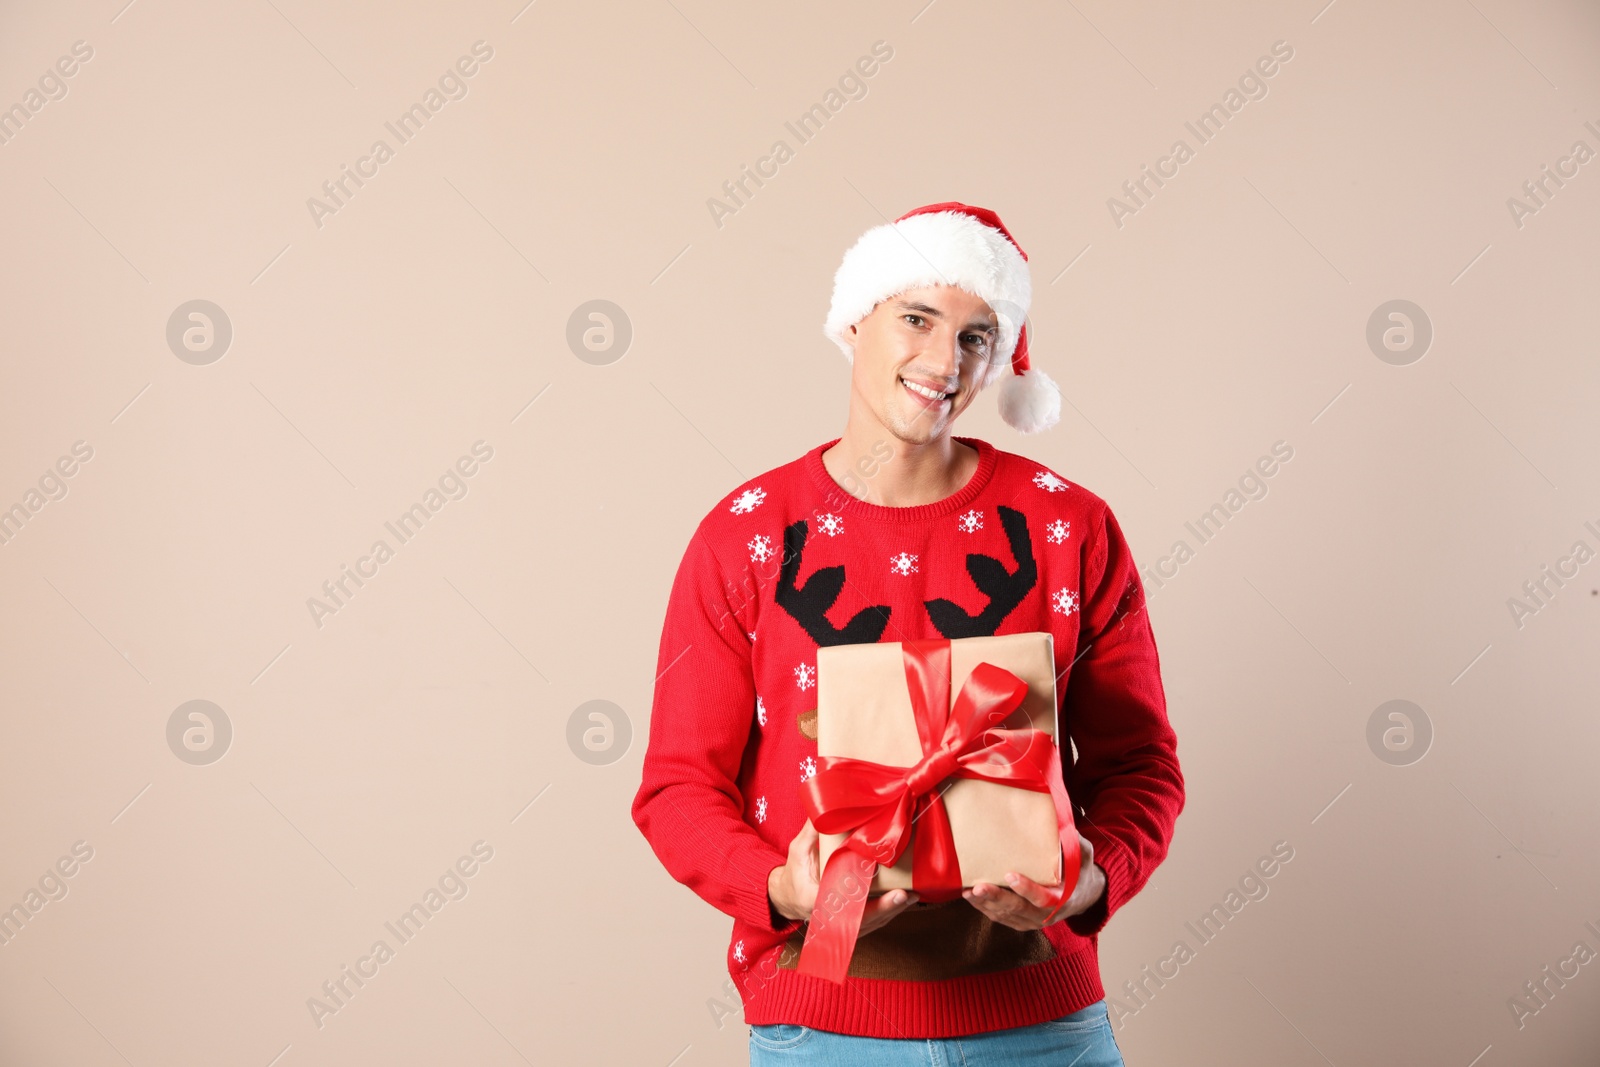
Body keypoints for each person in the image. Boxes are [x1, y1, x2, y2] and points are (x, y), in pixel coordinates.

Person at [632, 202, 1184, 1065]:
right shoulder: (746, 535)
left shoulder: (1069, 528)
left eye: (977, 336)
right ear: (858, 320)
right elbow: (677, 788)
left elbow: (1141, 766)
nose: (942, 360)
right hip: (822, 1026)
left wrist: (1091, 877)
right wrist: (783, 886)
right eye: (917, 319)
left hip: (1039, 1023)